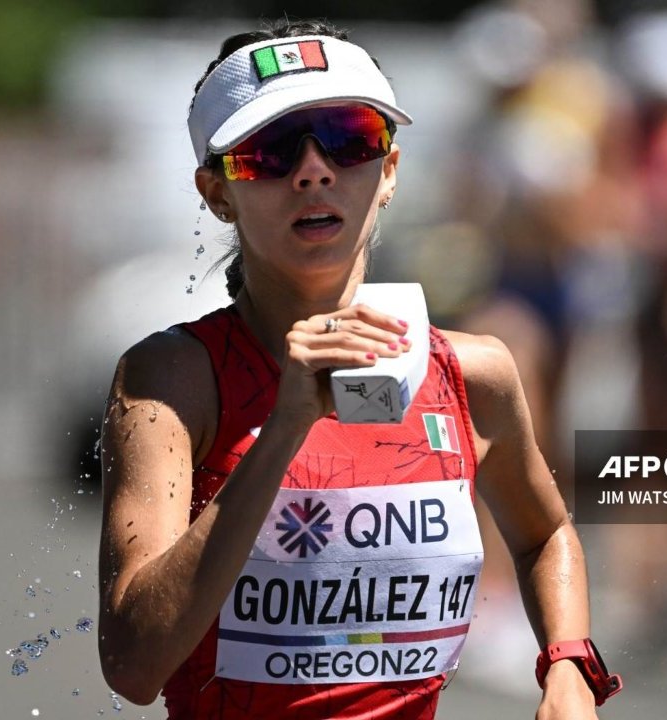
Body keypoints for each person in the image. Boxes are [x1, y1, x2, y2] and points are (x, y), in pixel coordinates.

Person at [95, 19, 619, 720]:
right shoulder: (171, 380)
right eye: (270, 152)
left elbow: (545, 533)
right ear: (217, 193)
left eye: (348, 138)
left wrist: (569, 666)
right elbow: (132, 664)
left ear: (390, 172)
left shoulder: (474, 373)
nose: (314, 170)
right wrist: (283, 430)